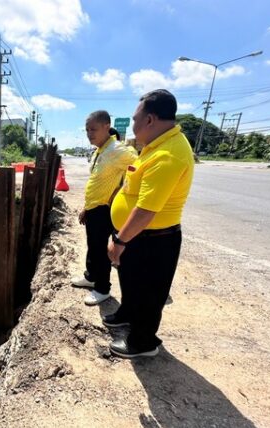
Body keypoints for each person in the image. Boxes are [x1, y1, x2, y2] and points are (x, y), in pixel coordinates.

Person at [105, 89, 194, 358]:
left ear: (150, 120)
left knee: (149, 294)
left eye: (135, 119)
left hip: (153, 239)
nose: (132, 125)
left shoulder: (168, 154)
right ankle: (127, 314)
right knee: (131, 282)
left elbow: (145, 211)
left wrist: (120, 240)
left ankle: (143, 343)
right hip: (138, 235)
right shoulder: (154, 147)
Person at [71, 110, 137, 306]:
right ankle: (91, 277)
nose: (89, 133)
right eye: (87, 130)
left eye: (94, 129)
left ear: (106, 127)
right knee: (93, 246)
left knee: (100, 250)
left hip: (104, 209)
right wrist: (86, 207)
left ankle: (102, 288)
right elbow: (96, 182)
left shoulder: (117, 150)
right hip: (93, 207)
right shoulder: (99, 150)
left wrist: (121, 191)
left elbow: (139, 167)